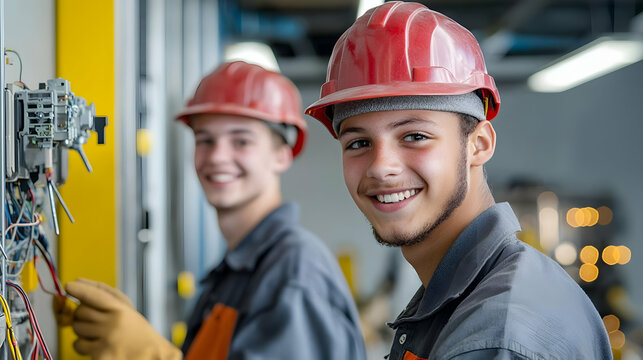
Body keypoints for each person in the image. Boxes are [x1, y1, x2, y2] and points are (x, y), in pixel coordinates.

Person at [305, 2, 613, 360]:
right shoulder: (466, 296)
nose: (381, 167)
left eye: (414, 136)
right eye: (359, 143)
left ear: (479, 144)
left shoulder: (493, 337)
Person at [60, 61, 366, 360]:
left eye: (241, 141)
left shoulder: (295, 274)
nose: (217, 157)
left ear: (282, 155)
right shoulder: (236, 274)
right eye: (205, 140)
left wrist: (151, 354)